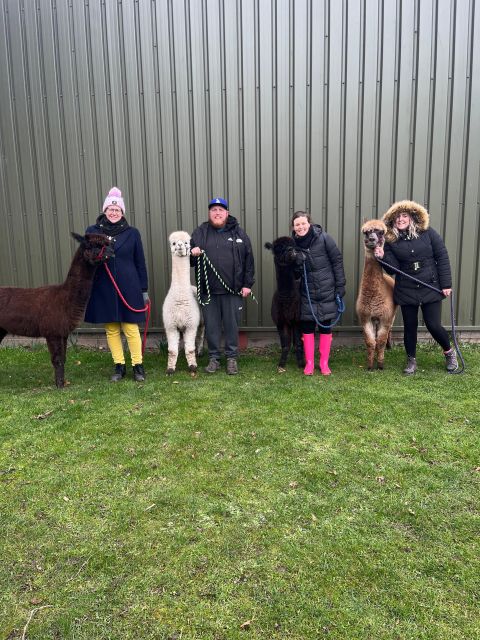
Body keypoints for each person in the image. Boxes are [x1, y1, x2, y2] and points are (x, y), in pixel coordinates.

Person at [374, 200, 458, 375]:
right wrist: (382, 257)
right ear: (392, 221)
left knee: (433, 324)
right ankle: (411, 359)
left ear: (412, 217)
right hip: (406, 287)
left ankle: (449, 353)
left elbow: (442, 256)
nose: (400, 219)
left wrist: (446, 284)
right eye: (397, 217)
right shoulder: (390, 241)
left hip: (430, 284)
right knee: (410, 326)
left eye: (404, 216)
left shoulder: (428, 233)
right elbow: (392, 269)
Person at [85, 187, 149, 382]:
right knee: (112, 328)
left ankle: (138, 366)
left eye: (117, 210)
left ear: (122, 212)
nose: (114, 213)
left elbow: (140, 261)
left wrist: (143, 289)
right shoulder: (93, 232)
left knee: (130, 327)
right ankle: (119, 366)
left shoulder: (132, 233)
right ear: (105, 210)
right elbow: (85, 256)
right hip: (103, 285)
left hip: (128, 286)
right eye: (110, 209)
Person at [190, 197, 255, 375]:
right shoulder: (200, 232)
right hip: (208, 290)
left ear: (227, 213)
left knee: (231, 325)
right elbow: (189, 259)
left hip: (233, 290)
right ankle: (214, 358)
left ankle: (232, 358)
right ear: (209, 213)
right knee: (211, 325)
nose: (217, 213)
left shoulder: (239, 234)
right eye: (214, 210)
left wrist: (247, 284)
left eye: (220, 210)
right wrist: (192, 253)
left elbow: (249, 260)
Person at [292, 211, 346, 376]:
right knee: (307, 327)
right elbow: (294, 275)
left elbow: (337, 260)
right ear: (293, 227)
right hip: (307, 293)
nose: (300, 227)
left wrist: (340, 285)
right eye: (297, 224)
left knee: (325, 327)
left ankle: (323, 363)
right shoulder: (293, 245)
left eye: (303, 223)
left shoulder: (324, 238)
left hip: (327, 290)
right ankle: (309, 363)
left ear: (309, 223)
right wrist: (297, 264)